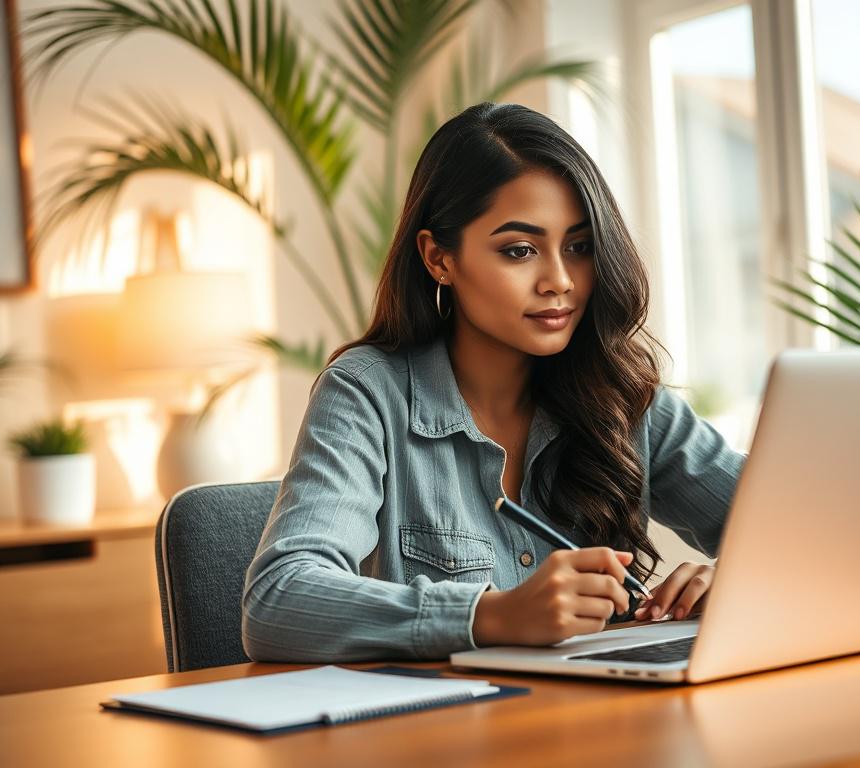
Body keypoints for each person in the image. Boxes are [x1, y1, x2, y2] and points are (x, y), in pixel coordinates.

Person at [242, 102, 745, 662]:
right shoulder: (366, 394)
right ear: (439, 258)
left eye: (578, 247)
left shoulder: (622, 393)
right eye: (519, 250)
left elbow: (801, 527)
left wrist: (740, 578)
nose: (559, 281)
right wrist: (492, 615)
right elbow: (278, 598)